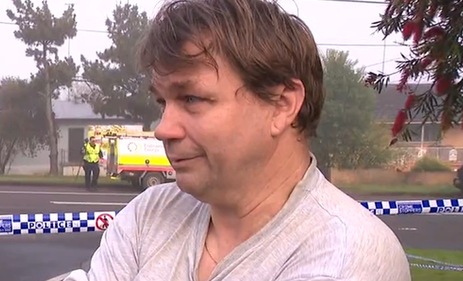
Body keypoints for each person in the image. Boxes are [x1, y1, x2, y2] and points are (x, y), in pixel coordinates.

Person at [65, 0, 411, 280]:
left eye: (192, 99)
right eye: (162, 102)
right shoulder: (149, 215)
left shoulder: (346, 256)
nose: (163, 128)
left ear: (282, 104)